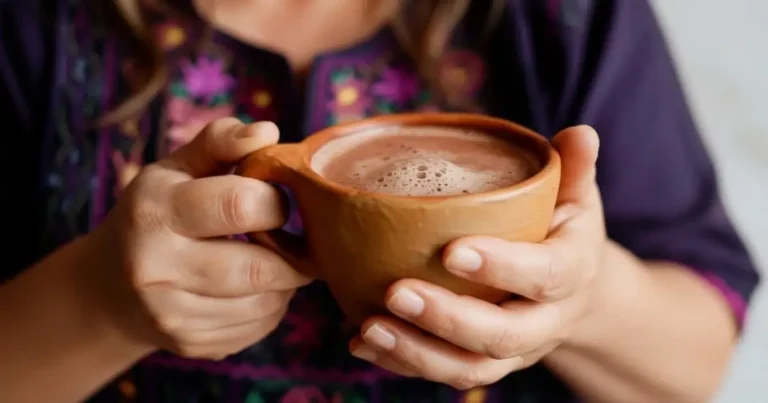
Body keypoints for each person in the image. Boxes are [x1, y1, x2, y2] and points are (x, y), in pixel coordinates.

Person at [0, 0, 760, 402]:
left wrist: (583, 301)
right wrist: (98, 303)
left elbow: (694, 365)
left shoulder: (560, 15)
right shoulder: (36, 22)